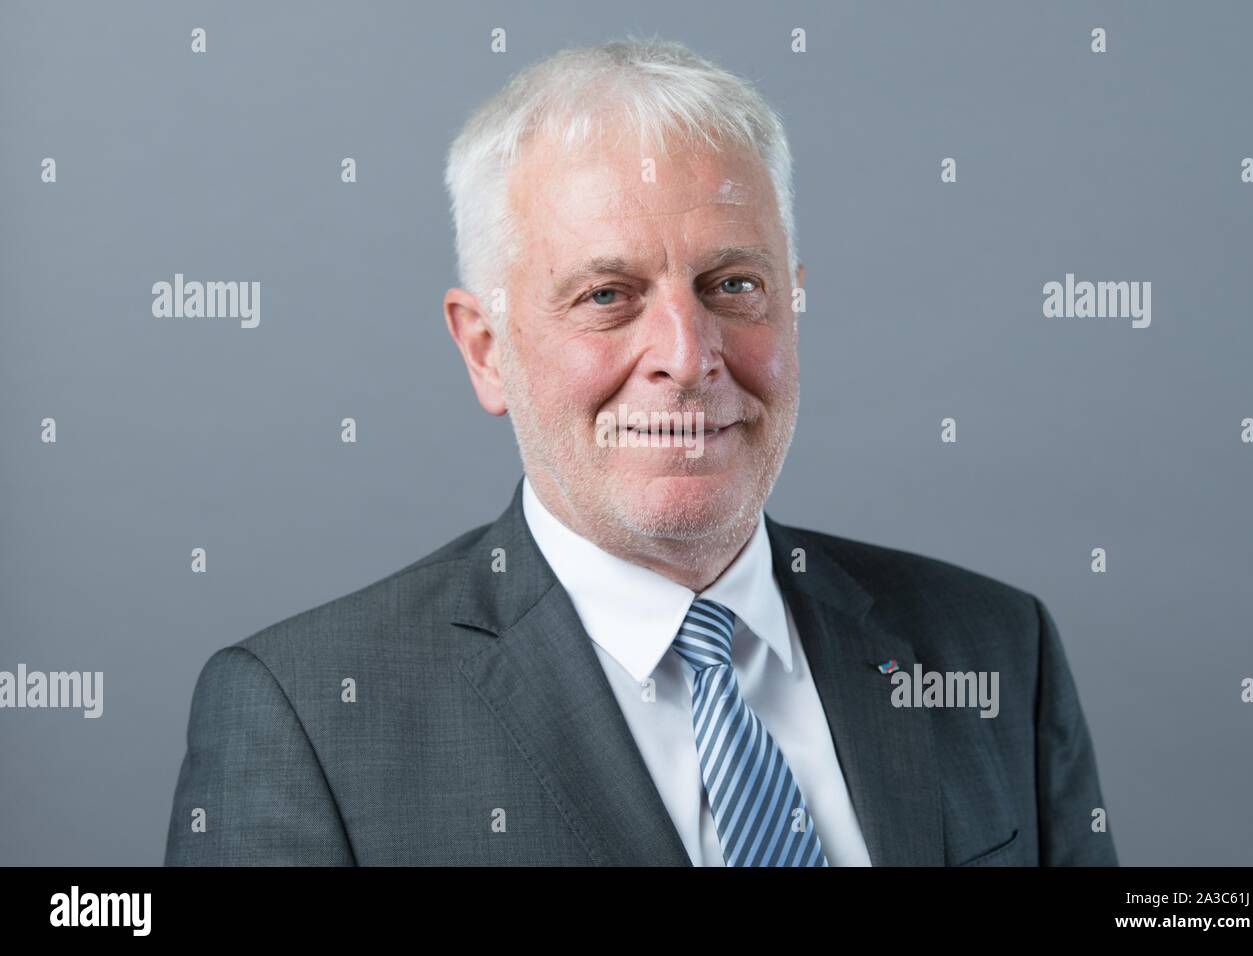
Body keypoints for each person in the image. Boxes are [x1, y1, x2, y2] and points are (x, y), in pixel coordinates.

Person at [164, 38, 1118, 866]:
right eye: (606, 295)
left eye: (732, 283)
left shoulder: (993, 648)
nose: (686, 356)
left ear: (793, 297)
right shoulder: (309, 723)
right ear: (486, 349)